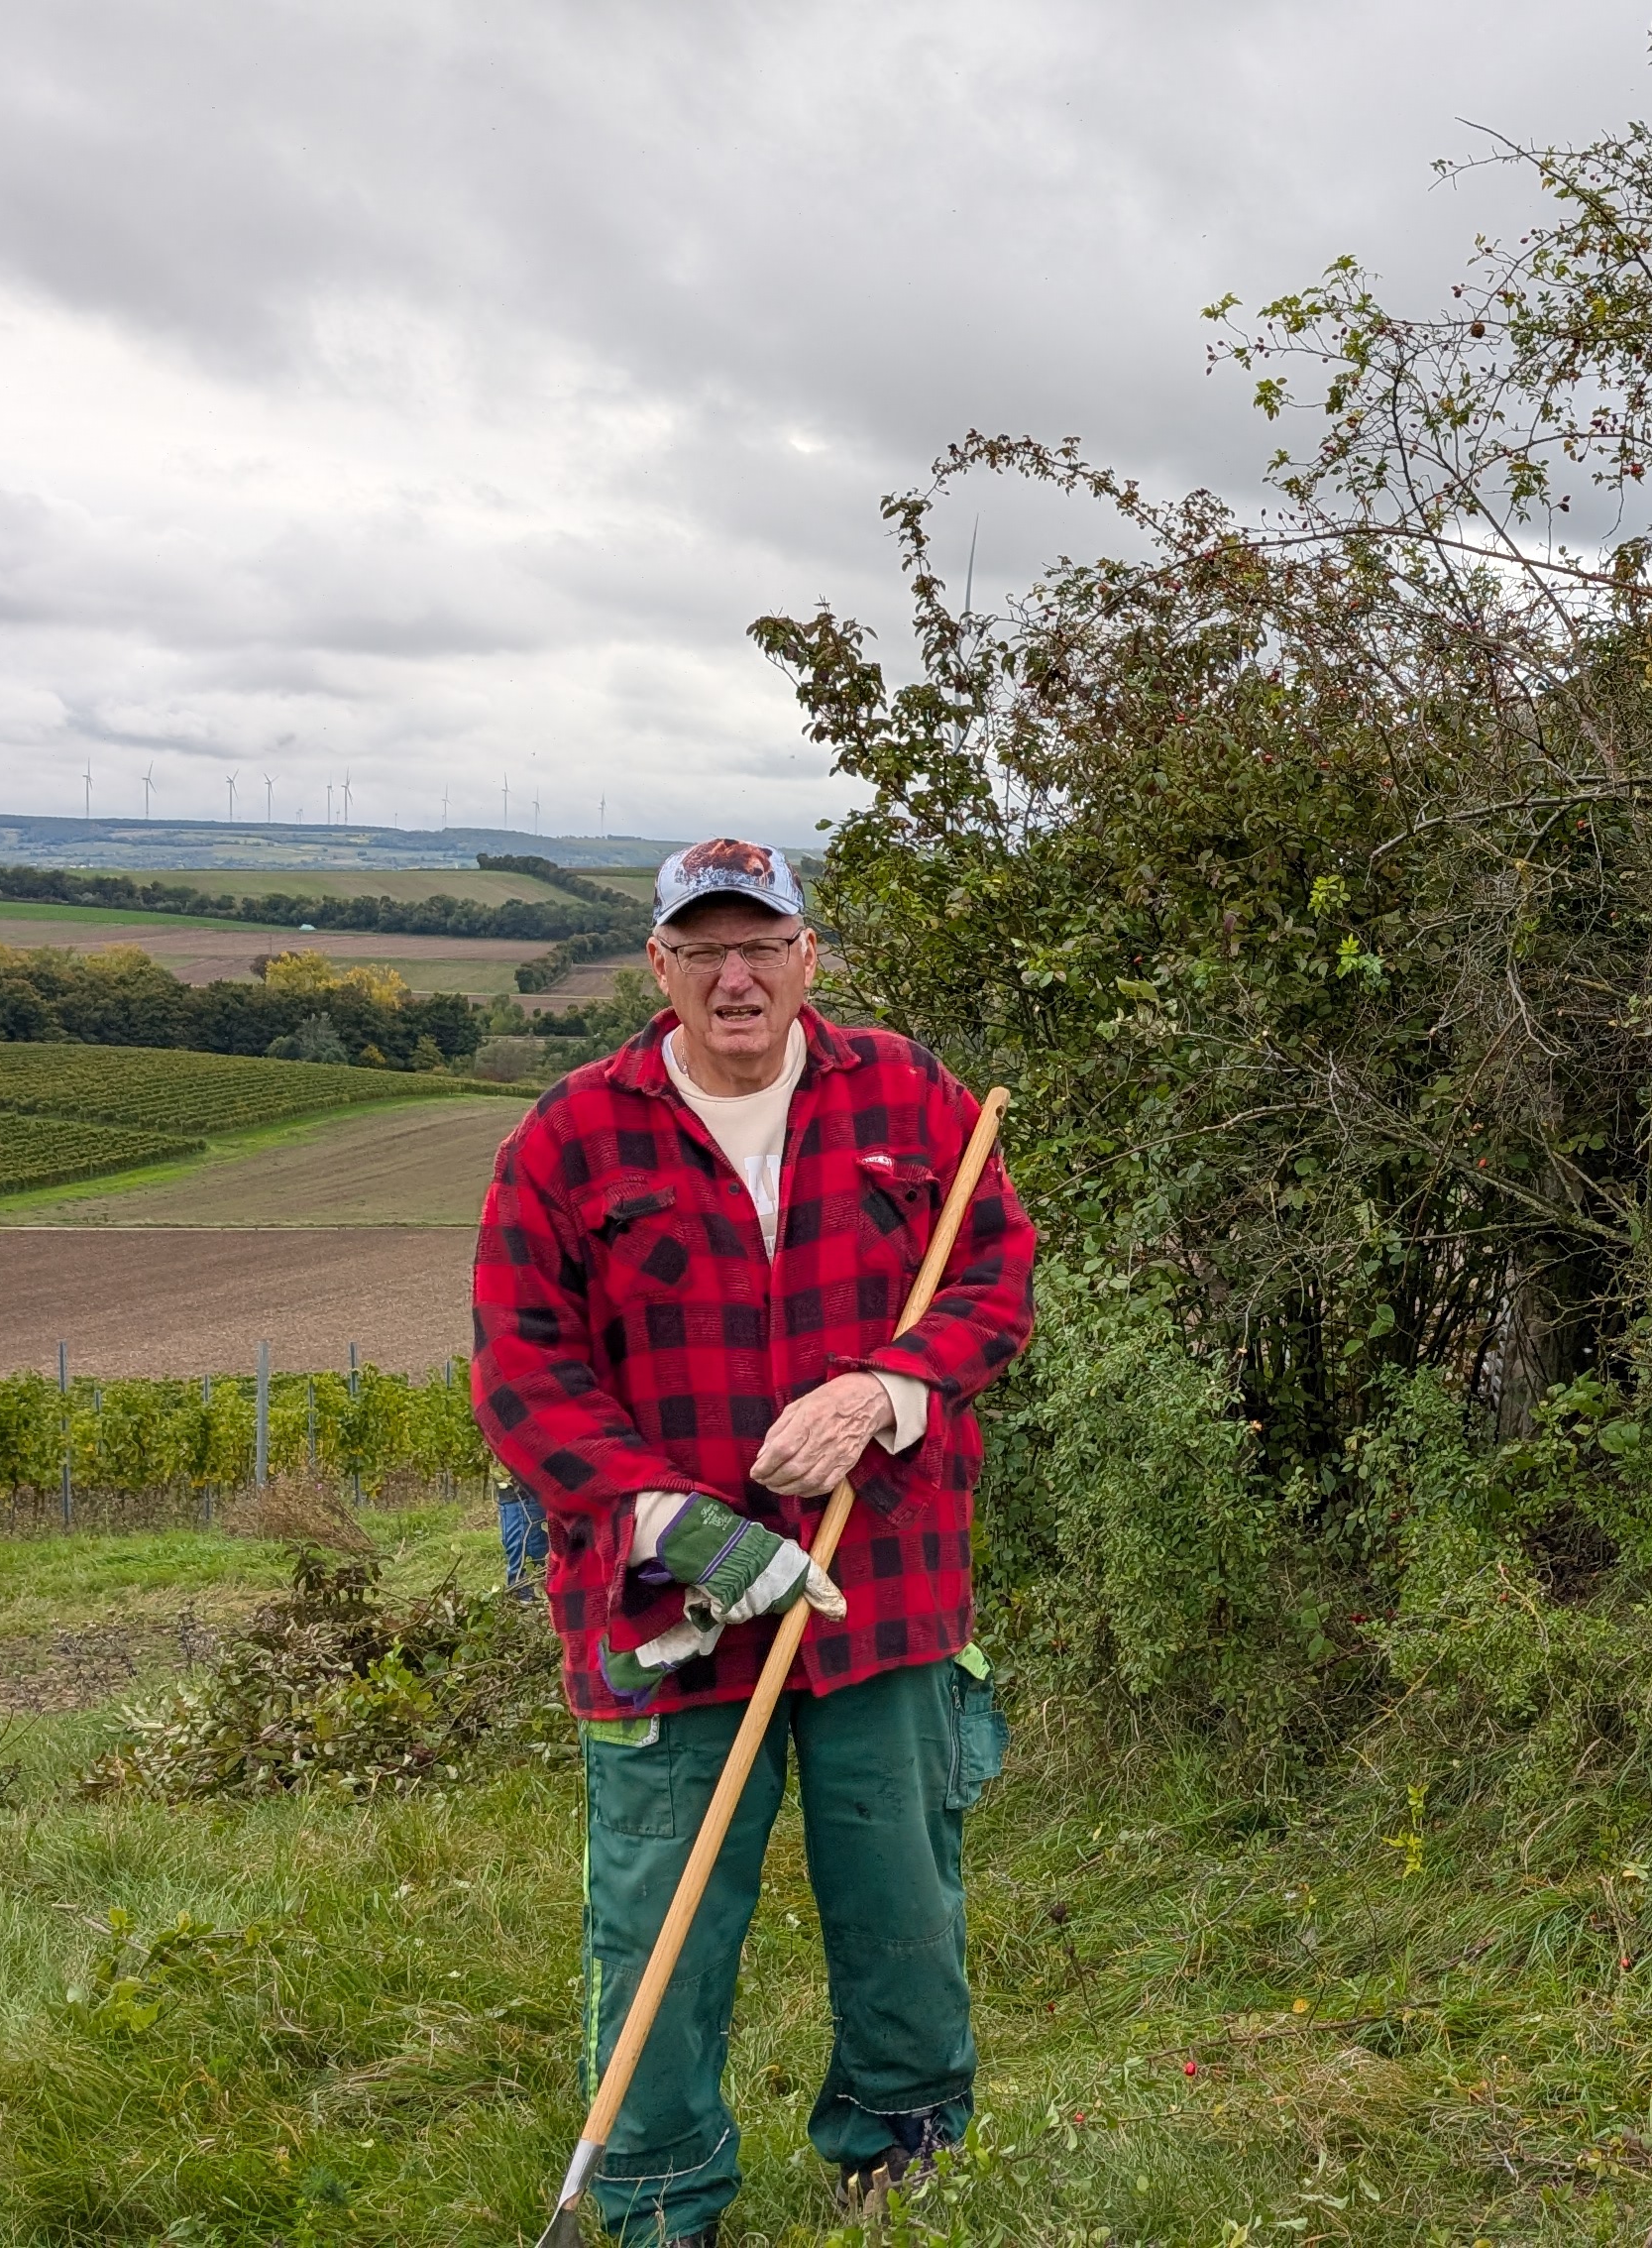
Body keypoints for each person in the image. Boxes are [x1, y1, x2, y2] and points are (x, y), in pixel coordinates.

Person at [471, 837, 1033, 2247]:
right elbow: (523, 1374)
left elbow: (994, 1276)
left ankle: (905, 2155)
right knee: (660, 1912)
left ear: (806, 957)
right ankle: (661, 2198)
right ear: (658, 967)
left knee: (902, 1892)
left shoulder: (907, 1094)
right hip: (666, 1605)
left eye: (763, 944)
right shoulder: (568, 1138)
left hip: (883, 1582)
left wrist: (883, 1392)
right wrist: (669, 1522)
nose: (738, 977)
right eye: (705, 950)